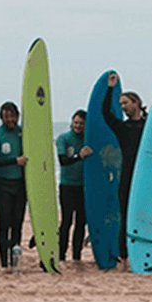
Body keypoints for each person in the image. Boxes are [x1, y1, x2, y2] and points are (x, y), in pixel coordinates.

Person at [102, 73, 146, 266]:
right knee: (126, 216)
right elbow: (106, 114)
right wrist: (110, 89)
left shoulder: (149, 126)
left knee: (145, 215)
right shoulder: (123, 127)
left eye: (125, 103)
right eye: (121, 104)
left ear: (136, 102)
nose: (123, 107)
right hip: (127, 176)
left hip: (146, 175)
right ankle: (125, 257)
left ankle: (146, 251)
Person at [0, 101, 27, 269]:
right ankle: (4, 263)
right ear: (1, 118)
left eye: (12, 115)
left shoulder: (24, 133)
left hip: (21, 185)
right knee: (4, 223)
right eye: (6, 116)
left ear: (17, 116)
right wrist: (14, 161)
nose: (10, 119)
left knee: (18, 222)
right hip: (3, 184)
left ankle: (14, 261)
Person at [55, 110, 93, 262]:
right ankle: (61, 255)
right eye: (75, 122)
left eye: (81, 123)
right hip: (67, 186)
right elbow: (63, 160)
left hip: (84, 188)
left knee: (80, 223)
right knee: (66, 222)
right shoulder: (63, 138)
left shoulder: (89, 140)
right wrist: (79, 156)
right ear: (71, 122)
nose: (78, 126)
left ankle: (76, 256)